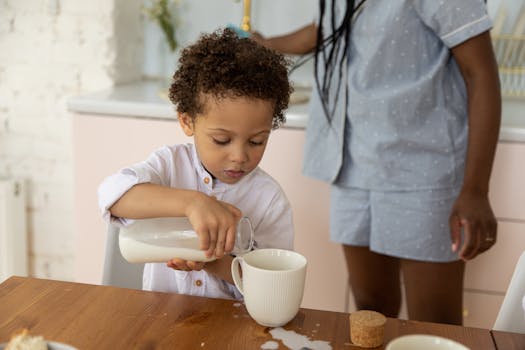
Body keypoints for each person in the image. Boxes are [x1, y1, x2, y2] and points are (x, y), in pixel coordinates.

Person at [252, 0, 501, 325]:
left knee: (434, 323)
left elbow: (480, 73)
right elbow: (329, 29)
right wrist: (266, 45)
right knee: (371, 311)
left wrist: (476, 190)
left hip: (423, 171)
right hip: (352, 165)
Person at [97, 28, 294, 300]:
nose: (239, 156)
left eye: (257, 141)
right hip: (161, 319)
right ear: (187, 121)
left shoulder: (270, 200)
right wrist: (193, 203)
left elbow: (274, 289)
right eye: (222, 140)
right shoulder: (169, 165)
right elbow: (111, 194)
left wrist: (214, 262)